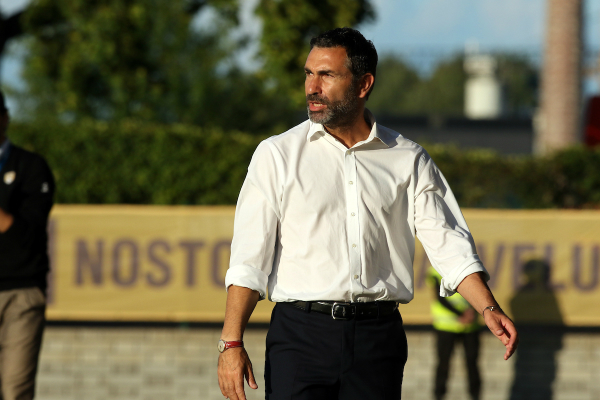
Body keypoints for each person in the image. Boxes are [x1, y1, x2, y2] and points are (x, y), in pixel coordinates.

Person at [217, 27, 518, 400]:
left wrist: (487, 306)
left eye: (327, 75)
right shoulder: (276, 155)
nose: (312, 86)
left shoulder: (407, 158)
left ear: (363, 84)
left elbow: (448, 242)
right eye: (309, 73)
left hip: (378, 342)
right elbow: (249, 258)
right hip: (299, 338)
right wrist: (231, 343)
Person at [0, 91, 54, 400]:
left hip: (20, 292)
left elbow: (25, 234)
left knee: (14, 389)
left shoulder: (30, 167)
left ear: (5, 118)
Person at [427, 267, 482, 400]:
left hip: (470, 326)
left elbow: (480, 292)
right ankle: (439, 396)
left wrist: (472, 312)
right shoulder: (435, 270)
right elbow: (440, 297)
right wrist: (461, 314)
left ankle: (475, 395)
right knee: (443, 364)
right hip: (446, 326)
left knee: (472, 364)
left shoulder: (470, 265)